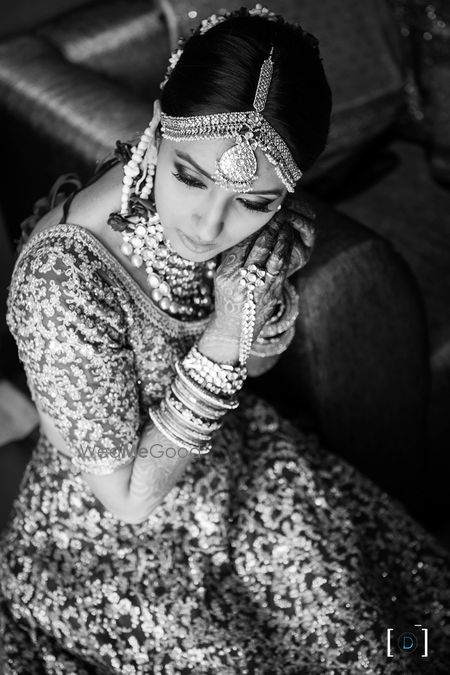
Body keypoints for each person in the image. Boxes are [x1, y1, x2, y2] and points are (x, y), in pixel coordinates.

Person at [0, 5, 449, 674]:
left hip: (235, 460)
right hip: (114, 535)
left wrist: (256, 307)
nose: (211, 224)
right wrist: (225, 334)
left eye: (256, 202)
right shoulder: (62, 279)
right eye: (190, 178)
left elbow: (256, 363)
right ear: (156, 132)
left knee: (382, 635)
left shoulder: (240, 212)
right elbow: (128, 497)